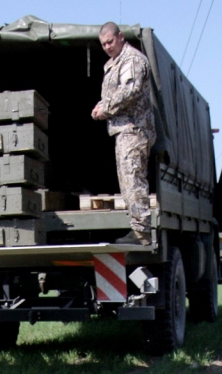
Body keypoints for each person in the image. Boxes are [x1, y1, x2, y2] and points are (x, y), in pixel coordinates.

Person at [91, 22, 156, 246]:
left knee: (133, 179)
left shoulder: (132, 59)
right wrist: (102, 105)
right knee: (127, 182)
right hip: (123, 130)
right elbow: (117, 91)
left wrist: (105, 107)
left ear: (120, 37)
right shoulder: (114, 64)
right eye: (103, 44)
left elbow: (131, 90)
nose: (107, 47)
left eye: (110, 41)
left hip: (135, 129)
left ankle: (141, 232)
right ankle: (137, 228)